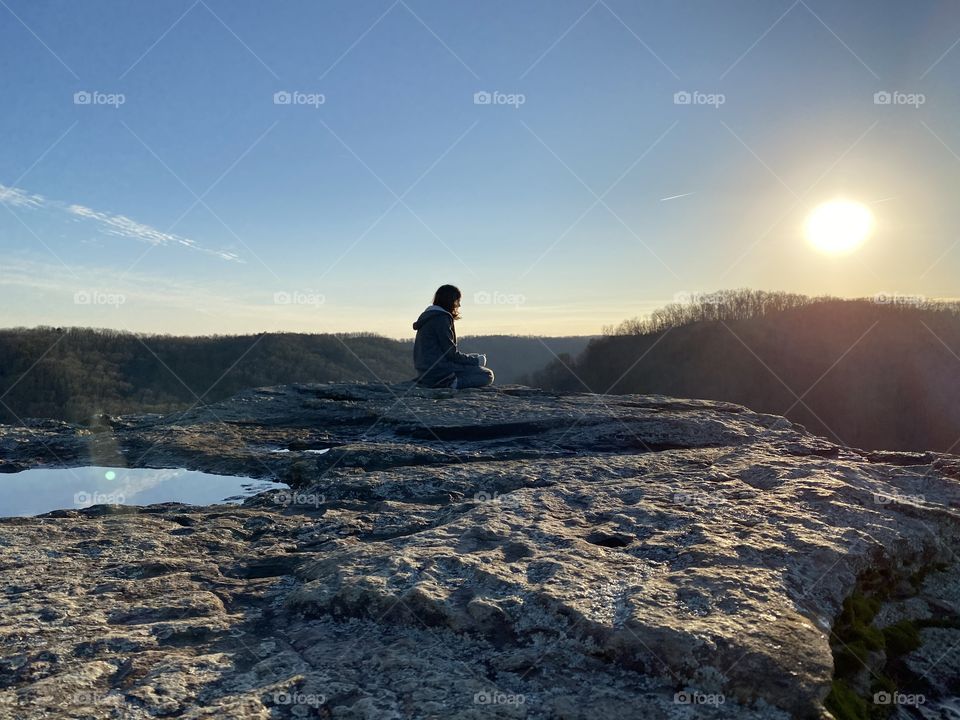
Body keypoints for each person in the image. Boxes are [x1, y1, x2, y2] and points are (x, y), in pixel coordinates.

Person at [412, 285, 494, 389]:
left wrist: (474, 359)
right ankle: (450, 383)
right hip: (438, 372)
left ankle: (446, 380)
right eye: (457, 300)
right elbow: (450, 354)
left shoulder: (430, 316)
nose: (459, 305)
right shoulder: (441, 319)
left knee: (475, 359)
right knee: (487, 375)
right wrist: (475, 361)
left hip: (425, 370)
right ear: (450, 300)